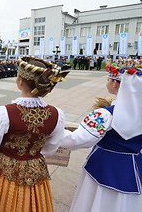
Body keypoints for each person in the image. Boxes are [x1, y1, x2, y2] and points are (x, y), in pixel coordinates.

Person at [0, 56, 68, 211]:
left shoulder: (2, 113)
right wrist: (31, 152)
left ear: (20, 81)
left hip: (4, 174)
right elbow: (50, 148)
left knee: (1, 204)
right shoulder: (58, 114)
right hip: (35, 171)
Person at [60, 64, 142, 211]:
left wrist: (55, 132)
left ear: (116, 84)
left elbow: (78, 140)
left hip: (102, 168)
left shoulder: (106, 114)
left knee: (96, 201)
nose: (107, 82)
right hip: (133, 169)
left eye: (109, 79)